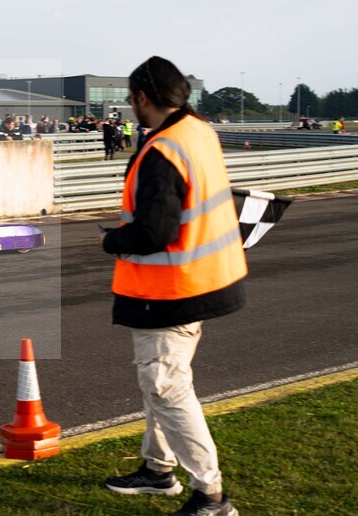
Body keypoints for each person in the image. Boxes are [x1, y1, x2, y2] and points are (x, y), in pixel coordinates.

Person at [99, 56, 245, 516]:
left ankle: (211, 495)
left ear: (143, 97)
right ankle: (158, 471)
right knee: (162, 382)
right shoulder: (199, 132)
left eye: (129, 100)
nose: (129, 108)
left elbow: (153, 232)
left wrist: (112, 240)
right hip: (204, 279)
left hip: (170, 290)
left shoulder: (162, 149)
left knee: (165, 387)